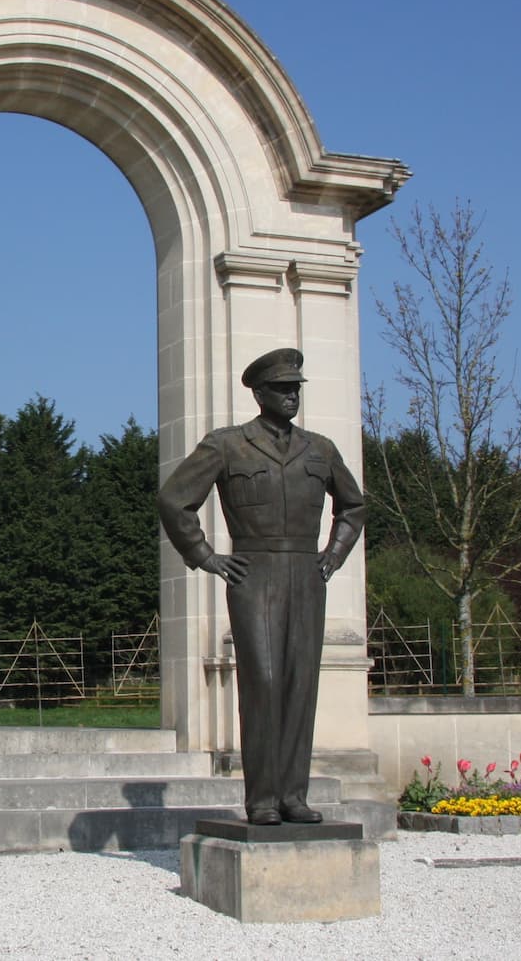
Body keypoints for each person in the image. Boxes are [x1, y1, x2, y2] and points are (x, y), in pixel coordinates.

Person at [157, 348, 365, 825]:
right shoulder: (228, 444)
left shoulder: (321, 449)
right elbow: (173, 499)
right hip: (254, 572)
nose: (292, 395)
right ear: (258, 392)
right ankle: (263, 800)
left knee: (300, 683)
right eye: (282, 388)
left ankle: (294, 796)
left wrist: (332, 556)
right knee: (264, 681)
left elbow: (353, 506)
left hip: (306, 575)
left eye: (296, 388)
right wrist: (205, 556)